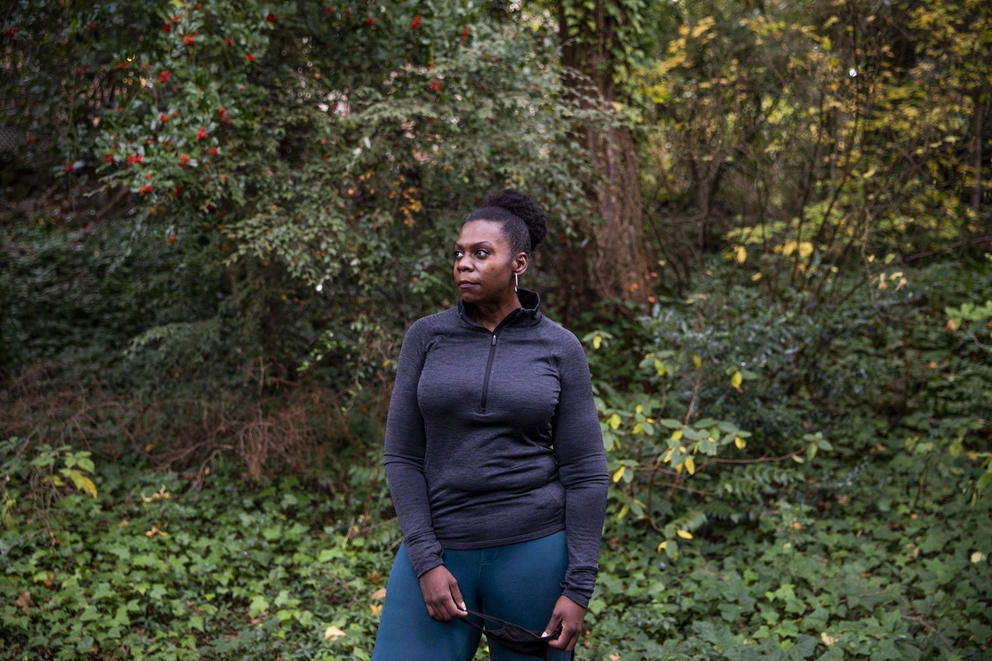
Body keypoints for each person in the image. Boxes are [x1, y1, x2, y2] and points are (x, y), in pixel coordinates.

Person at [371, 189, 608, 661]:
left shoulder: (560, 347)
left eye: (481, 254)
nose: (464, 264)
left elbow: (585, 469)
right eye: (459, 253)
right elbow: (402, 455)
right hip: (442, 547)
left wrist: (578, 588)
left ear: (518, 262)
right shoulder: (426, 337)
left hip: (534, 552)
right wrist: (426, 560)